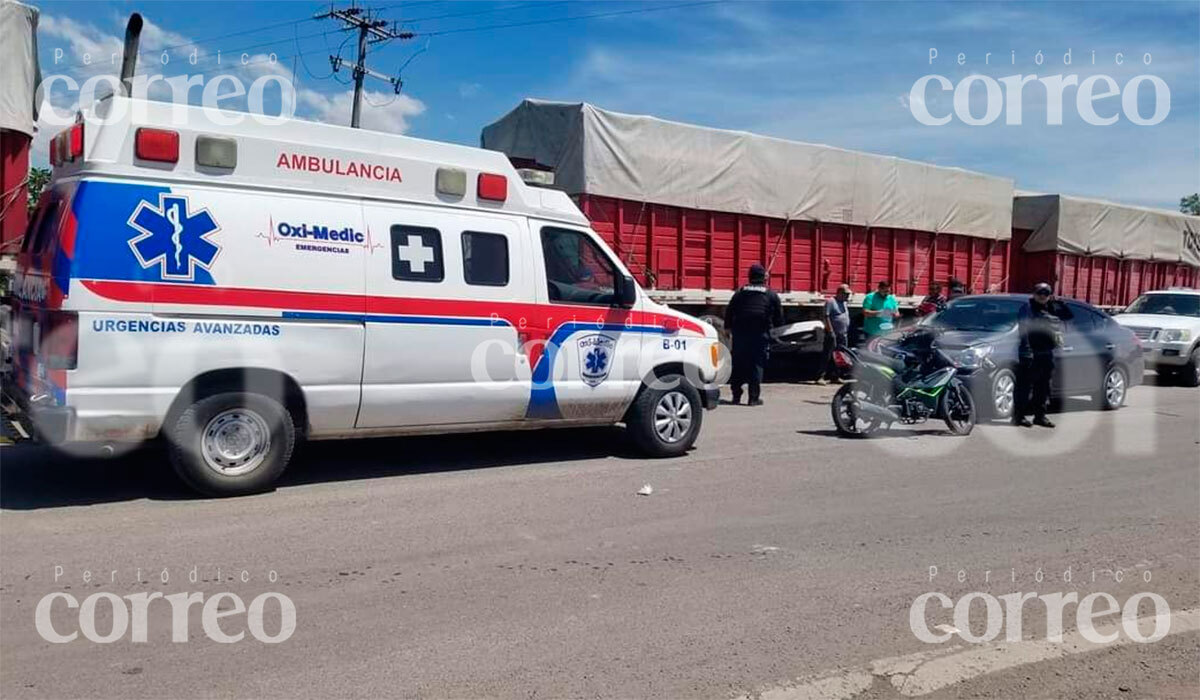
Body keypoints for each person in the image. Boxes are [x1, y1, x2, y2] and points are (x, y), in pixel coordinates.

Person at [1012, 282, 1073, 428]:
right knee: (1024, 387)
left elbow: (1068, 316)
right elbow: (1023, 329)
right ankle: (1019, 417)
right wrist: (1026, 350)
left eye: (1046, 294)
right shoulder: (1028, 308)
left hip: (1047, 352)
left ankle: (1040, 416)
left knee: (1044, 387)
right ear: (1034, 294)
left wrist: (1060, 302)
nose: (1042, 296)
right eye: (1039, 293)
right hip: (1032, 352)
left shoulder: (1051, 307)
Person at [725, 263, 783, 405]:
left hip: (741, 334)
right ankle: (753, 398)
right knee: (756, 365)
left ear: (750, 277)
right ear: (764, 277)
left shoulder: (740, 292)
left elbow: (730, 311)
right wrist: (775, 328)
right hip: (760, 334)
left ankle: (736, 396)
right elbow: (779, 316)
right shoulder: (770, 294)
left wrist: (728, 328)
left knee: (738, 364)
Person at [816, 284, 852, 384]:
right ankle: (820, 377)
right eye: (846, 294)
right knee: (827, 355)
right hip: (832, 334)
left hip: (842, 334)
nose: (848, 296)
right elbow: (826, 316)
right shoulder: (831, 302)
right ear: (839, 293)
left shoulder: (844, 303)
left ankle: (835, 376)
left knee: (838, 356)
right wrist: (830, 331)